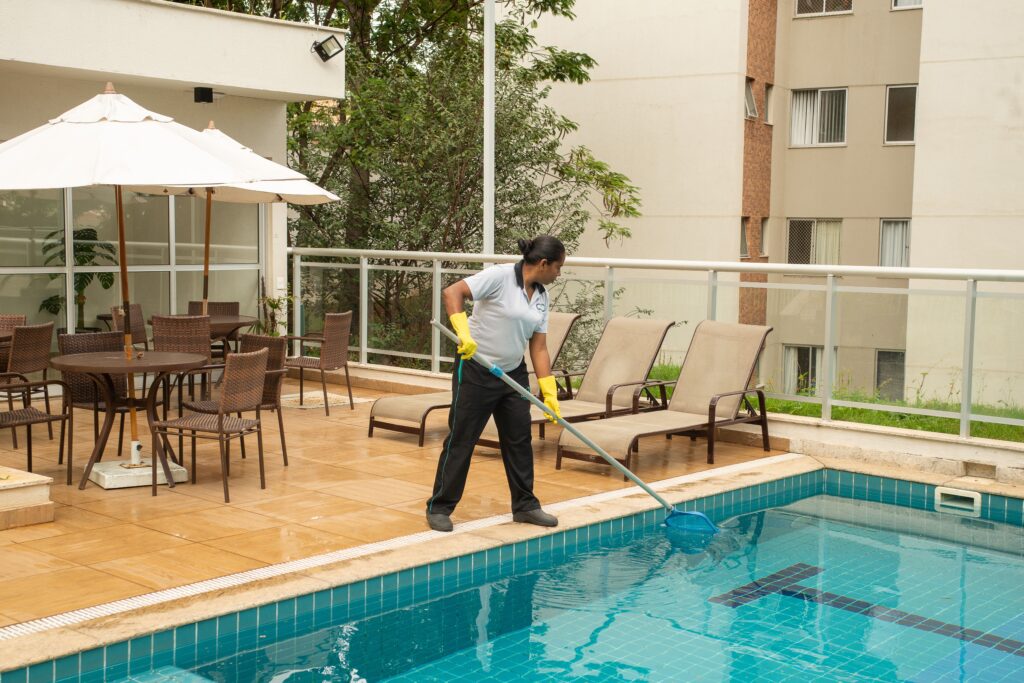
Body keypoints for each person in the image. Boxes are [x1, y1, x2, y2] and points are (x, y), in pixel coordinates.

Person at [425, 235, 566, 532]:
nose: (559, 274)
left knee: (518, 440)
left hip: (512, 374)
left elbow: (538, 347)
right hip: (477, 368)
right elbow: (453, 292)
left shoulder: (541, 294)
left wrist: (549, 391)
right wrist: (464, 332)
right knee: (462, 438)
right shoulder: (500, 276)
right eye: (558, 267)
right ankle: (440, 506)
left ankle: (525, 505)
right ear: (543, 264)